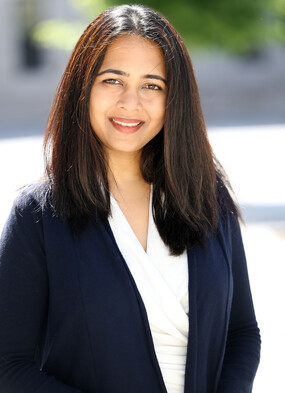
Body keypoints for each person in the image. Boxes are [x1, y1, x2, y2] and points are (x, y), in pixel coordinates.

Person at [0, 4, 261, 393]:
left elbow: (243, 333)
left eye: (152, 85)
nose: (130, 102)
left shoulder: (208, 197)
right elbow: (9, 365)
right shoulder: (38, 216)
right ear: (82, 86)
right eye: (112, 80)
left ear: (175, 98)